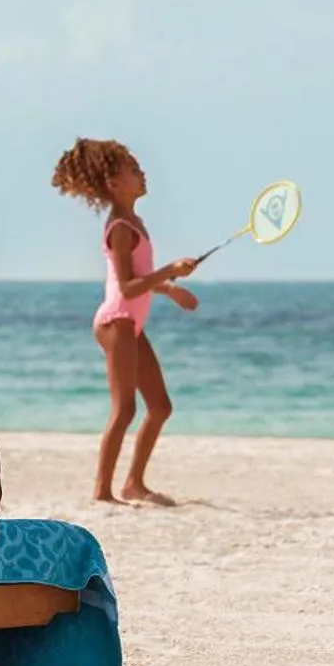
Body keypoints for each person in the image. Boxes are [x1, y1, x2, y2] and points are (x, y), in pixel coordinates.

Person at [50, 138, 199, 506]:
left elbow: (134, 279)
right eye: (133, 169)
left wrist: (168, 288)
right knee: (125, 409)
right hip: (117, 321)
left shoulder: (135, 222)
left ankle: (134, 483)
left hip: (128, 323)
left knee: (160, 407)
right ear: (115, 184)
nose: (142, 172)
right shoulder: (119, 226)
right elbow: (129, 289)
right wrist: (171, 271)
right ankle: (102, 491)